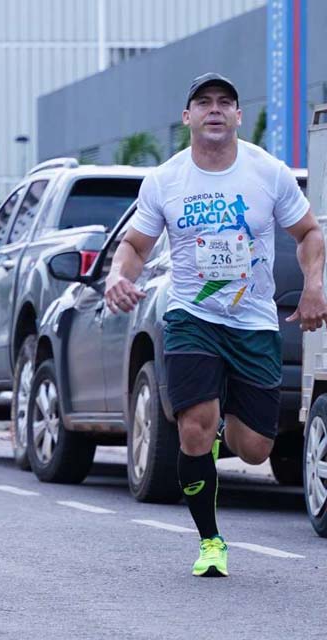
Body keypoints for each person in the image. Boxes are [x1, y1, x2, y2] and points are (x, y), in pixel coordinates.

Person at [104, 73, 327, 577]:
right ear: (187, 117)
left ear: (237, 116)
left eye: (225, 102)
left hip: (252, 323)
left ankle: (222, 419)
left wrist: (314, 284)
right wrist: (119, 275)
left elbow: (309, 232)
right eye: (203, 103)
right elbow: (136, 246)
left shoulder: (267, 173)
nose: (215, 110)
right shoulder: (165, 180)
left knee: (255, 449)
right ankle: (210, 541)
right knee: (193, 429)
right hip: (191, 316)